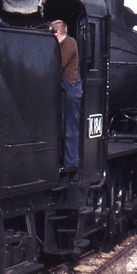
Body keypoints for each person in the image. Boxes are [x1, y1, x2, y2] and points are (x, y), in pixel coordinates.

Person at [53, 20, 82, 172]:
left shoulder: (70, 43)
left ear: (57, 33)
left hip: (71, 88)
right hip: (64, 88)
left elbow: (59, 64)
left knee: (70, 127)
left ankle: (71, 162)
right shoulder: (61, 44)